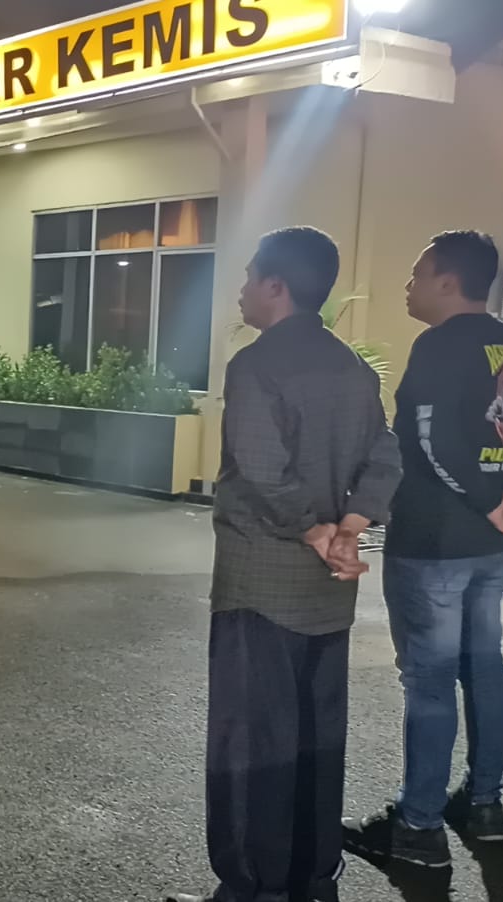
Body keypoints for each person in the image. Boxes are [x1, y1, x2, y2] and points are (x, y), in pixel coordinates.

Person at [166, 228, 401, 902]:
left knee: (252, 744)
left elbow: (263, 470)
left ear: (277, 286)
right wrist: (350, 528)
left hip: (259, 589)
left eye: (249, 278)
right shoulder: (353, 368)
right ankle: (312, 880)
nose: (241, 290)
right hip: (327, 595)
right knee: (316, 740)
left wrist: (318, 529)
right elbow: (386, 455)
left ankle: (252, 887)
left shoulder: (257, 365)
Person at [342, 231, 503, 869]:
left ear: (446, 280)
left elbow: (432, 440)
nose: (408, 287)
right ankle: (483, 807)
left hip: (435, 542)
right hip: (493, 546)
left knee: (431, 680)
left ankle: (418, 827)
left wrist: (492, 500)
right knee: (484, 665)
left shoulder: (440, 345)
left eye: (416, 274)